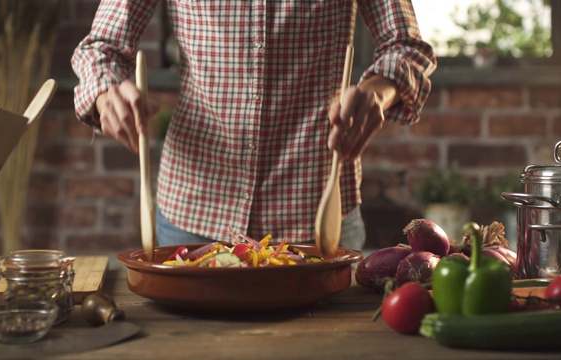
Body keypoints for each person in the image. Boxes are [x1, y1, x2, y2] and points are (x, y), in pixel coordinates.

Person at [71, 0, 436, 251]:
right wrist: (106, 94)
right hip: (193, 212)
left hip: (318, 215)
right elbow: (101, 47)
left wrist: (378, 92)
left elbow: (405, 46)